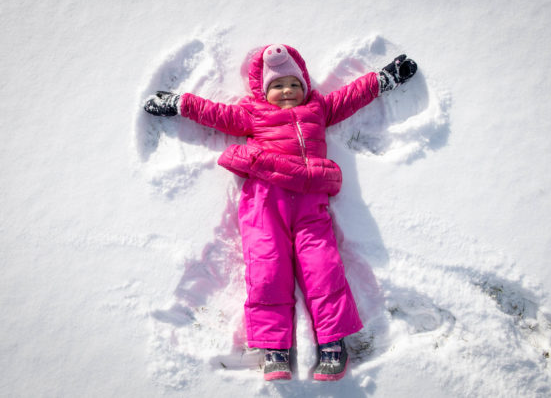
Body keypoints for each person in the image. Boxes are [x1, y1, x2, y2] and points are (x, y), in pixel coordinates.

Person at [144, 44, 417, 381]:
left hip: (310, 201)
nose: (287, 91)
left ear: (304, 87)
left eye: (293, 84)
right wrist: (178, 103)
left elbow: (350, 97)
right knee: (267, 266)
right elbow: (214, 113)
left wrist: (385, 79)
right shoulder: (252, 113)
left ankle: (332, 341)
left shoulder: (318, 108)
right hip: (264, 200)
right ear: (263, 90)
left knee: (323, 266)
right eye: (277, 86)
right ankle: (274, 346)